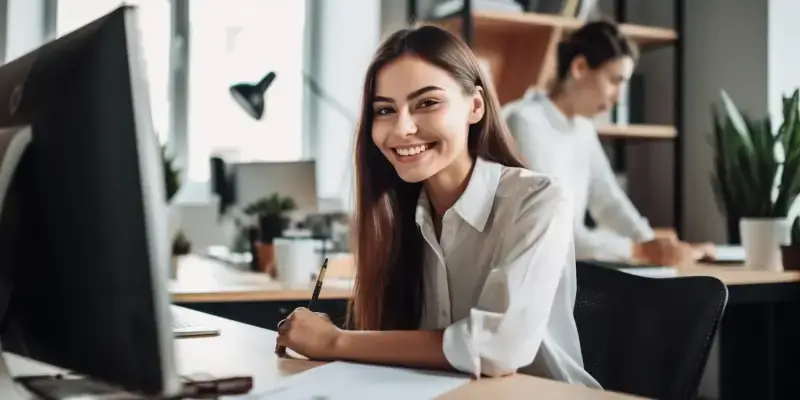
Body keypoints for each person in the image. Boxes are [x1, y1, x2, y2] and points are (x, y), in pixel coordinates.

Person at [274, 25, 601, 388]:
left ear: (475, 106)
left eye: (427, 103)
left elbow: (497, 346)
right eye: (385, 110)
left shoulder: (538, 201)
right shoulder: (397, 217)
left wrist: (335, 342)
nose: (402, 129)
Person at [503, 20, 714, 266]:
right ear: (580, 67)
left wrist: (657, 245)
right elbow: (554, 231)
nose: (619, 97)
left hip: (561, 269)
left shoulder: (582, 128)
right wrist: (640, 250)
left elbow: (607, 199)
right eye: (615, 80)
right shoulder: (525, 122)